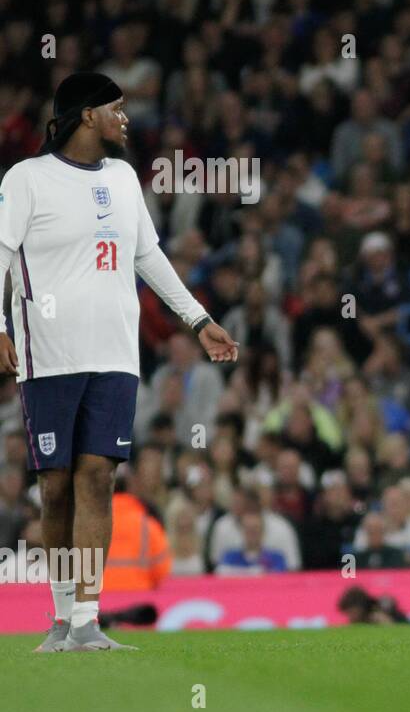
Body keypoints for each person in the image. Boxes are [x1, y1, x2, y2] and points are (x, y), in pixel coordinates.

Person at [0, 73, 238, 653]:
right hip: (48, 353)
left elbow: (147, 257)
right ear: (87, 116)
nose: (126, 118)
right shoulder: (28, 179)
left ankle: (87, 620)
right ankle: (58, 620)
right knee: (54, 488)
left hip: (115, 354)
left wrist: (199, 320)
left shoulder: (125, 178)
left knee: (99, 478)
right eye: (117, 108)